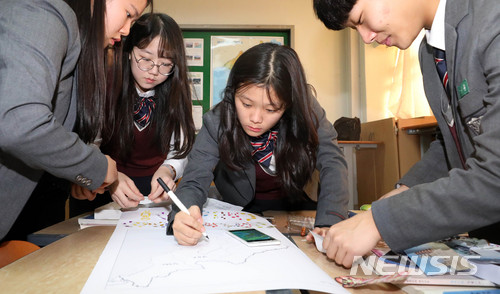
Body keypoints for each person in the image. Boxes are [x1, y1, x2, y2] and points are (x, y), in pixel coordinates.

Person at [313, 0, 500, 267]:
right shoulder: (429, 52)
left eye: (362, 18)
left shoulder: (492, 19)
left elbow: (495, 174)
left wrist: (380, 220)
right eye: (356, 30)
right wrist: (405, 189)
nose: (366, 38)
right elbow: (454, 140)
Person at [168, 42, 350, 246]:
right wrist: (183, 213)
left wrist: (329, 223)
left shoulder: (306, 109)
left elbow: (332, 162)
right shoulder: (217, 120)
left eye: (271, 109)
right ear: (232, 92)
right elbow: (195, 178)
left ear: (288, 105)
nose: (255, 118)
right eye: (246, 104)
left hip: (297, 207)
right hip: (243, 212)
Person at [0, 0, 151, 241]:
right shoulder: (47, 12)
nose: (126, 30)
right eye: (128, 14)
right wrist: (97, 167)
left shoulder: (77, 40)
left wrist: (73, 177)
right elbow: (21, 124)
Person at [70, 13, 195, 214]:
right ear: (129, 51)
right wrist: (109, 176)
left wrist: (168, 170)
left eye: (165, 64)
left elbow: (180, 150)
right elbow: (90, 143)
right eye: (145, 59)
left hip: (154, 192)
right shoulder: (103, 86)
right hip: (103, 186)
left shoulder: (175, 93)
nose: (154, 71)